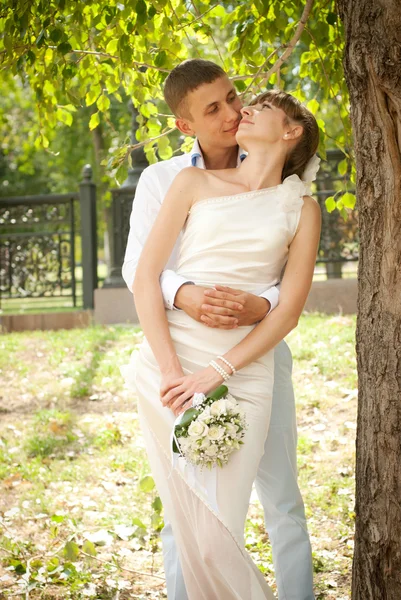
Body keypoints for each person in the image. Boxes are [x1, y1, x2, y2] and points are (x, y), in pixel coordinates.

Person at [122, 60, 318, 599]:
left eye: (234, 98)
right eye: (215, 108)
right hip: (181, 352)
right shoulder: (168, 179)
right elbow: (140, 269)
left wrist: (262, 304)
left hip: (257, 354)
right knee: (187, 511)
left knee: (281, 495)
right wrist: (186, 298)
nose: (234, 112)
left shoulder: (298, 198)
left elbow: (287, 292)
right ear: (186, 125)